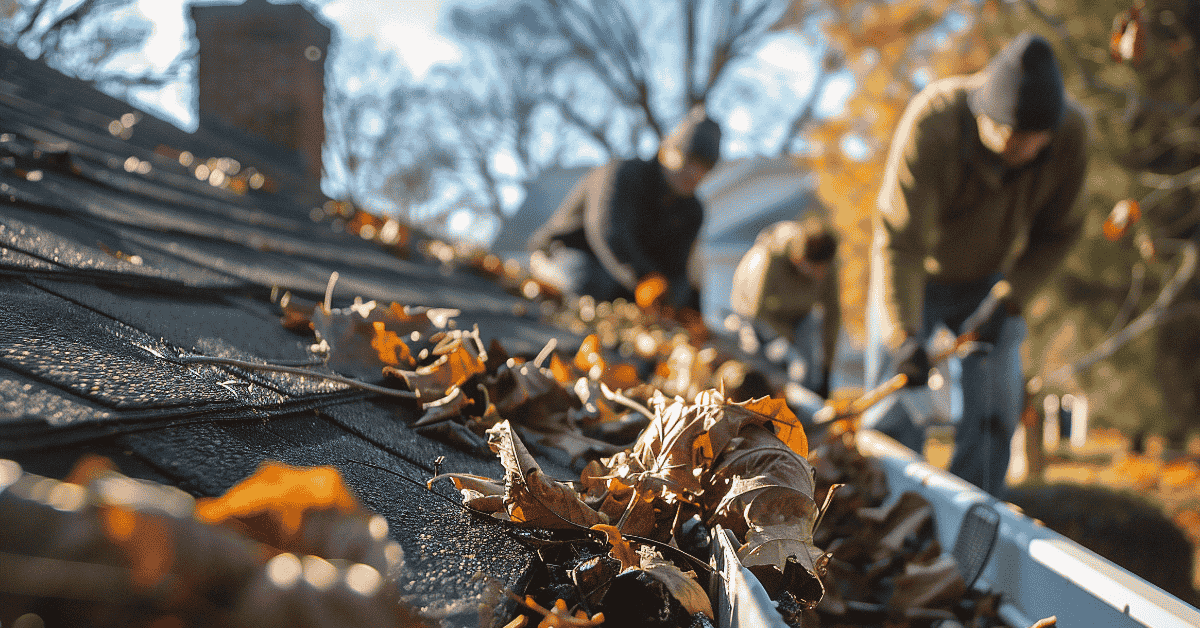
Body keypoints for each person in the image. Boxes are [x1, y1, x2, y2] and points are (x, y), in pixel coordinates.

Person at [863, 32, 1090, 496]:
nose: (1015, 149)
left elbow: (1059, 233)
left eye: (1029, 142)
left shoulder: (1072, 135)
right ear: (981, 114)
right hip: (914, 278)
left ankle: (973, 520)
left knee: (996, 411)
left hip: (989, 284)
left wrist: (1010, 298)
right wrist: (904, 334)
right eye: (1004, 135)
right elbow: (898, 242)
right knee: (895, 408)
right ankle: (882, 512)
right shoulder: (934, 120)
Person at [527, 106, 721, 311]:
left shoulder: (692, 212)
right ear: (666, 150)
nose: (695, 173)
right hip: (565, 254)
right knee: (591, 282)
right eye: (689, 158)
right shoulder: (622, 173)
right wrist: (646, 280)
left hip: (625, 282)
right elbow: (609, 233)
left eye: (705, 167)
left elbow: (677, 270)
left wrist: (677, 301)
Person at [729, 215, 841, 405]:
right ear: (798, 258)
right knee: (780, 365)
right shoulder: (769, 257)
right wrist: (787, 343)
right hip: (757, 322)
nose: (817, 276)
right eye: (812, 269)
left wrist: (827, 367)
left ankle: (807, 406)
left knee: (807, 370)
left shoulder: (826, 267)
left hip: (797, 320)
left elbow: (832, 317)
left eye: (821, 270)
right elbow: (756, 311)